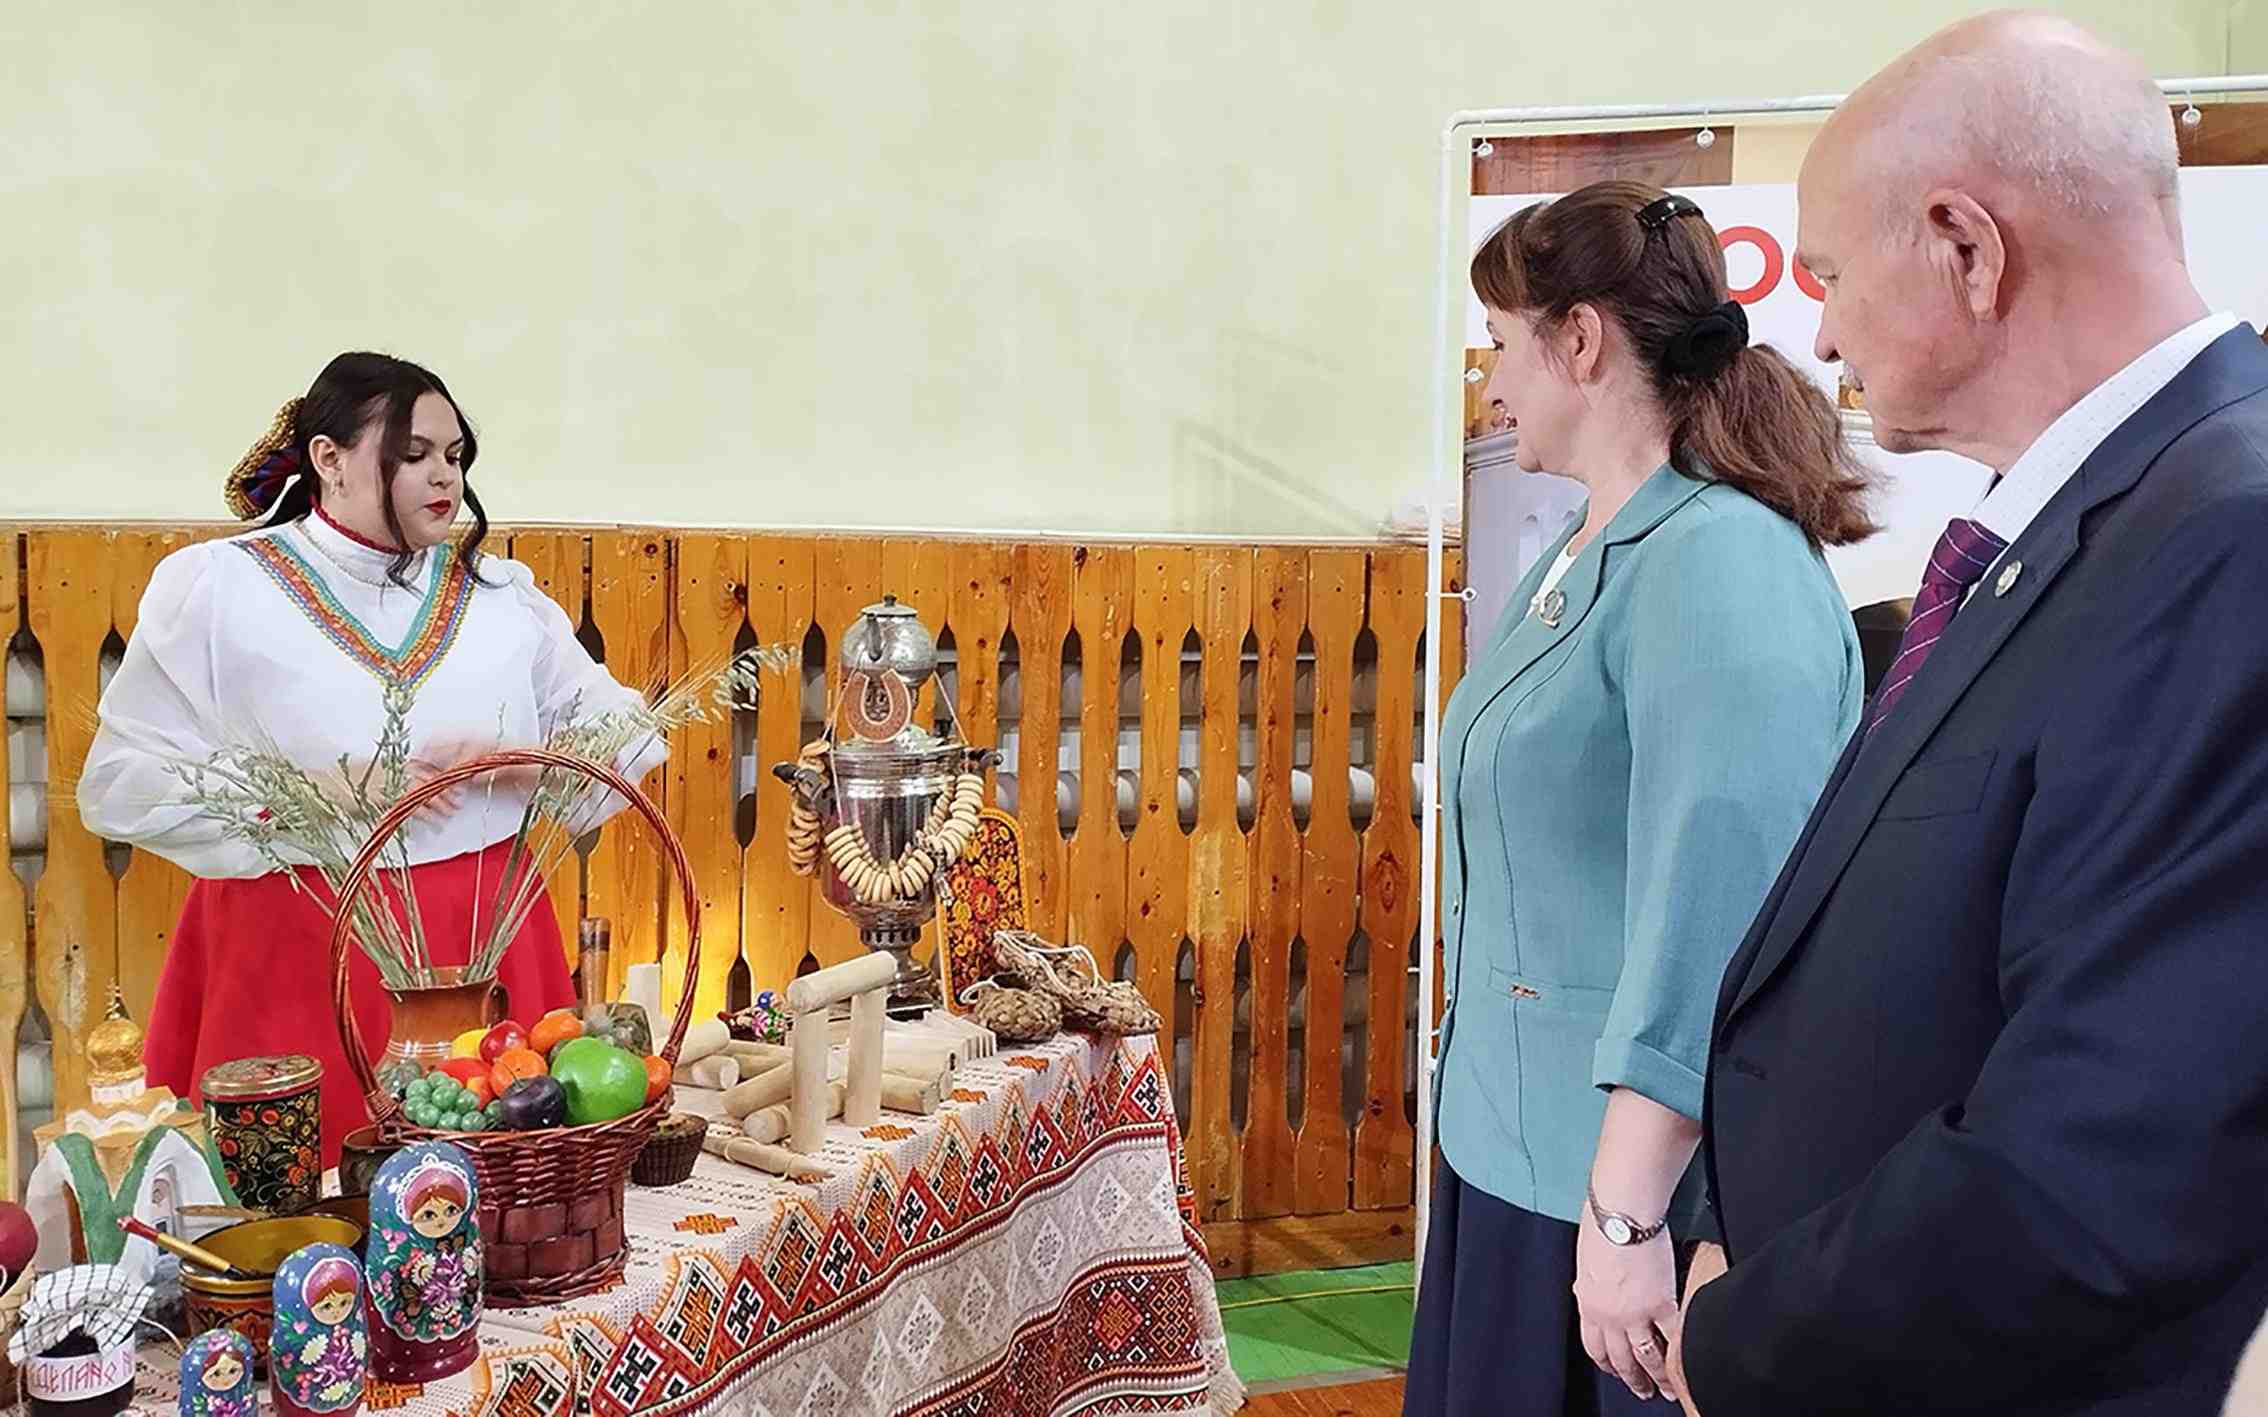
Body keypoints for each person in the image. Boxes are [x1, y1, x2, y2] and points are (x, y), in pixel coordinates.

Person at [1670, 14, 2268, 1415]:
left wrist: (1742, 1340)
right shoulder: (2091, 518)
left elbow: (2113, 1149)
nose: (1822, 332)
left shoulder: (2228, 538)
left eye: (1829, 273)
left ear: (1966, 247)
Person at [1411, 180, 1873, 1413]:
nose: (1491, 383)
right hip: (1516, 1155)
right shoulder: (1588, 546)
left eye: (1502, 343)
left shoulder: (1722, 564)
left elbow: (1711, 921)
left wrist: (1624, 1216)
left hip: (1631, 1204)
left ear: (1580, 340)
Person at [78, 352, 667, 1166]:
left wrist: (518, 764)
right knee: (307, 1205)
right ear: (328, 458)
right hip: (296, 945)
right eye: (414, 453)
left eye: (454, 455)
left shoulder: (500, 597)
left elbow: (628, 734)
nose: (445, 476)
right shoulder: (222, 589)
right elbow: (119, 781)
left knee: (506, 1195)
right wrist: (314, 792)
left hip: (485, 938)